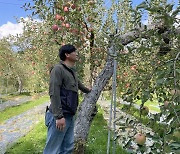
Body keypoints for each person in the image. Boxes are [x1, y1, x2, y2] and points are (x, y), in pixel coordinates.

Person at [44, 44, 91, 154]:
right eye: (74, 51)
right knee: (53, 150)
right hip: (60, 116)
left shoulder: (72, 71)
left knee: (67, 148)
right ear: (67, 54)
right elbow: (54, 93)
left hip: (69, 115)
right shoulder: (58, 69)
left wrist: (88, 90)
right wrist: (59, 116)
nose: (77, 53)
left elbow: (79, 85)